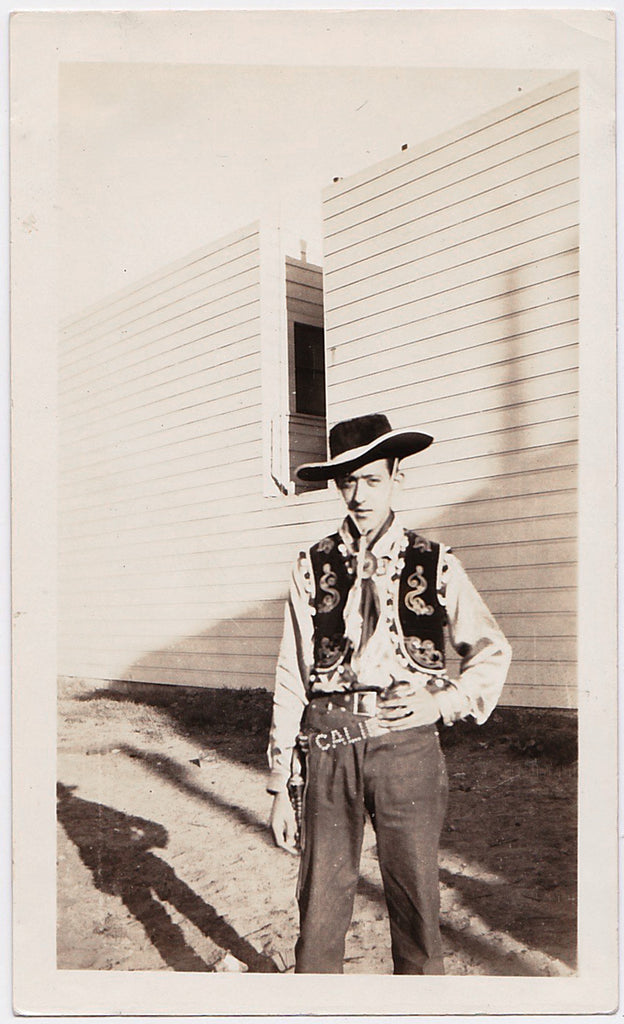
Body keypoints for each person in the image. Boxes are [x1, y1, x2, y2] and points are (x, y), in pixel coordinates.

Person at [267, 413, 512, 975]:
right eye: (347, 482)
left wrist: (442, 701)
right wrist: (281, 782)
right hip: (330, 745)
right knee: (321, 914)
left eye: (371, 480)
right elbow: (291, 672)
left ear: (397, 477)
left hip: (406, 747)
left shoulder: (436, 560)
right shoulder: (311, 564)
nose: (358, 495)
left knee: (417, 907)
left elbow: (491, 650)